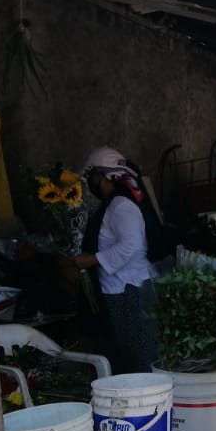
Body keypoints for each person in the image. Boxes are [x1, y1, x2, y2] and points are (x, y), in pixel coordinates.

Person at [73, 146, 158, 375]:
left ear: (102, 175)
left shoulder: (122, 206)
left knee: (137, 354)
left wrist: (90, 260)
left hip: (128, 291)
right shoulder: (115, 204)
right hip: (118, 289)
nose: (90, 182)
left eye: (91, 176)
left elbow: (131, 245)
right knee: (123, 352)